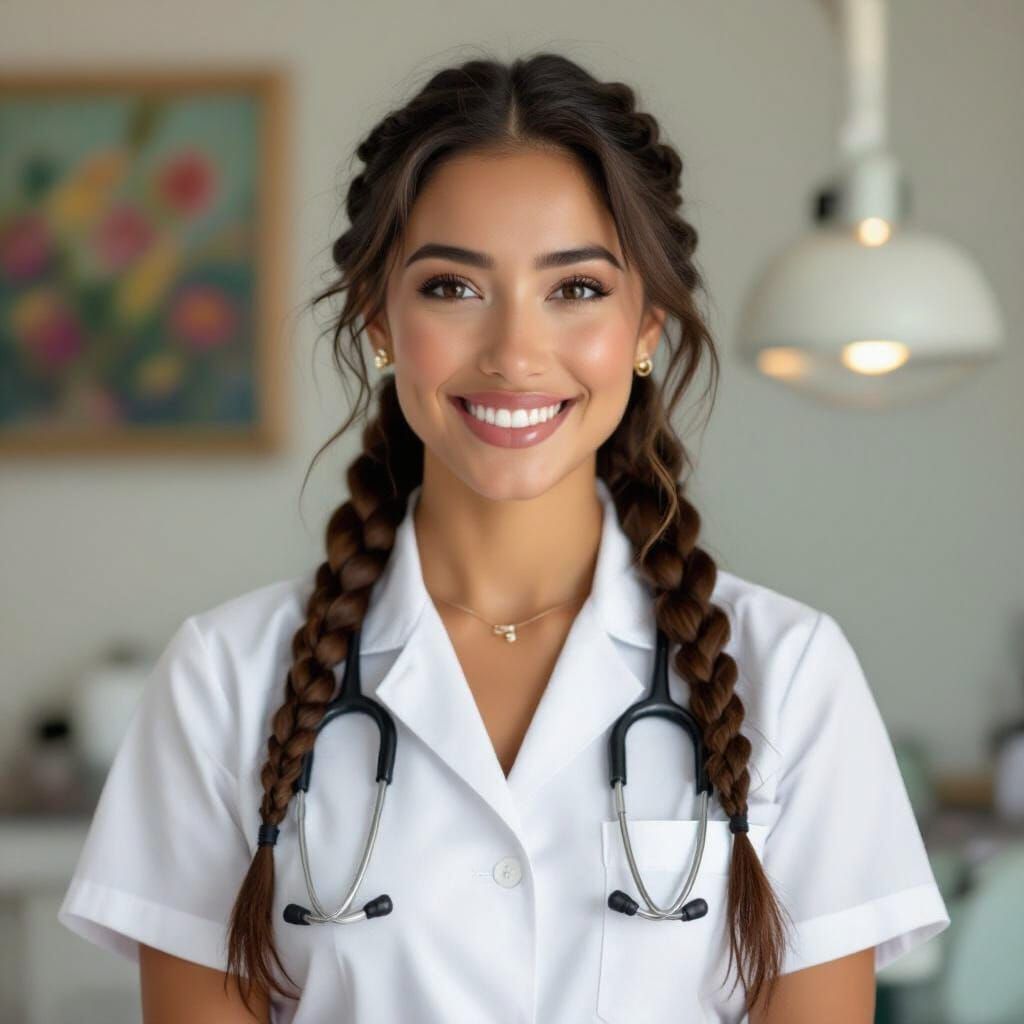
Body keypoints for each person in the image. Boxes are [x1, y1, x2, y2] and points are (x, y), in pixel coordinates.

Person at [58, 51, 950, 1024]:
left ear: (646, 324)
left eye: (575, 289)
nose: (515, 354)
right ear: (380, 318)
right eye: (452, 286)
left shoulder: (794, 673)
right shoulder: (223, 680)